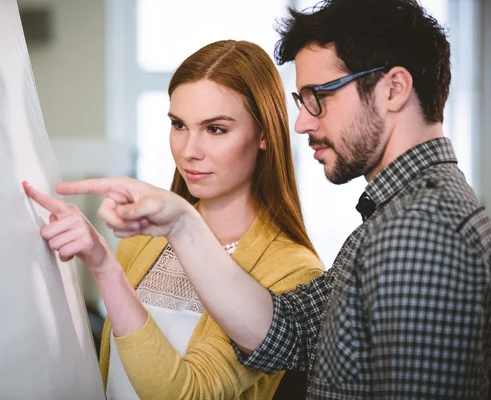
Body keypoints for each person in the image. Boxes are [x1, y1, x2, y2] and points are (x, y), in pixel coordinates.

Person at [54, 0, 491, 398]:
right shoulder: (390, 221)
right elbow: (287, 332)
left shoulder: (421, 231)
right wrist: (181, 224)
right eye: (302, 100)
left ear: (394, 89)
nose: (300, 123)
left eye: (319, 97)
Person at [25, 39, 324, 399]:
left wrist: (106, 270)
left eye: (215, 129)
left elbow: (188, 393)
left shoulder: (293, 271)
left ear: (263, 134)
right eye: (179, 125)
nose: (188, 150)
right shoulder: (144, 239)